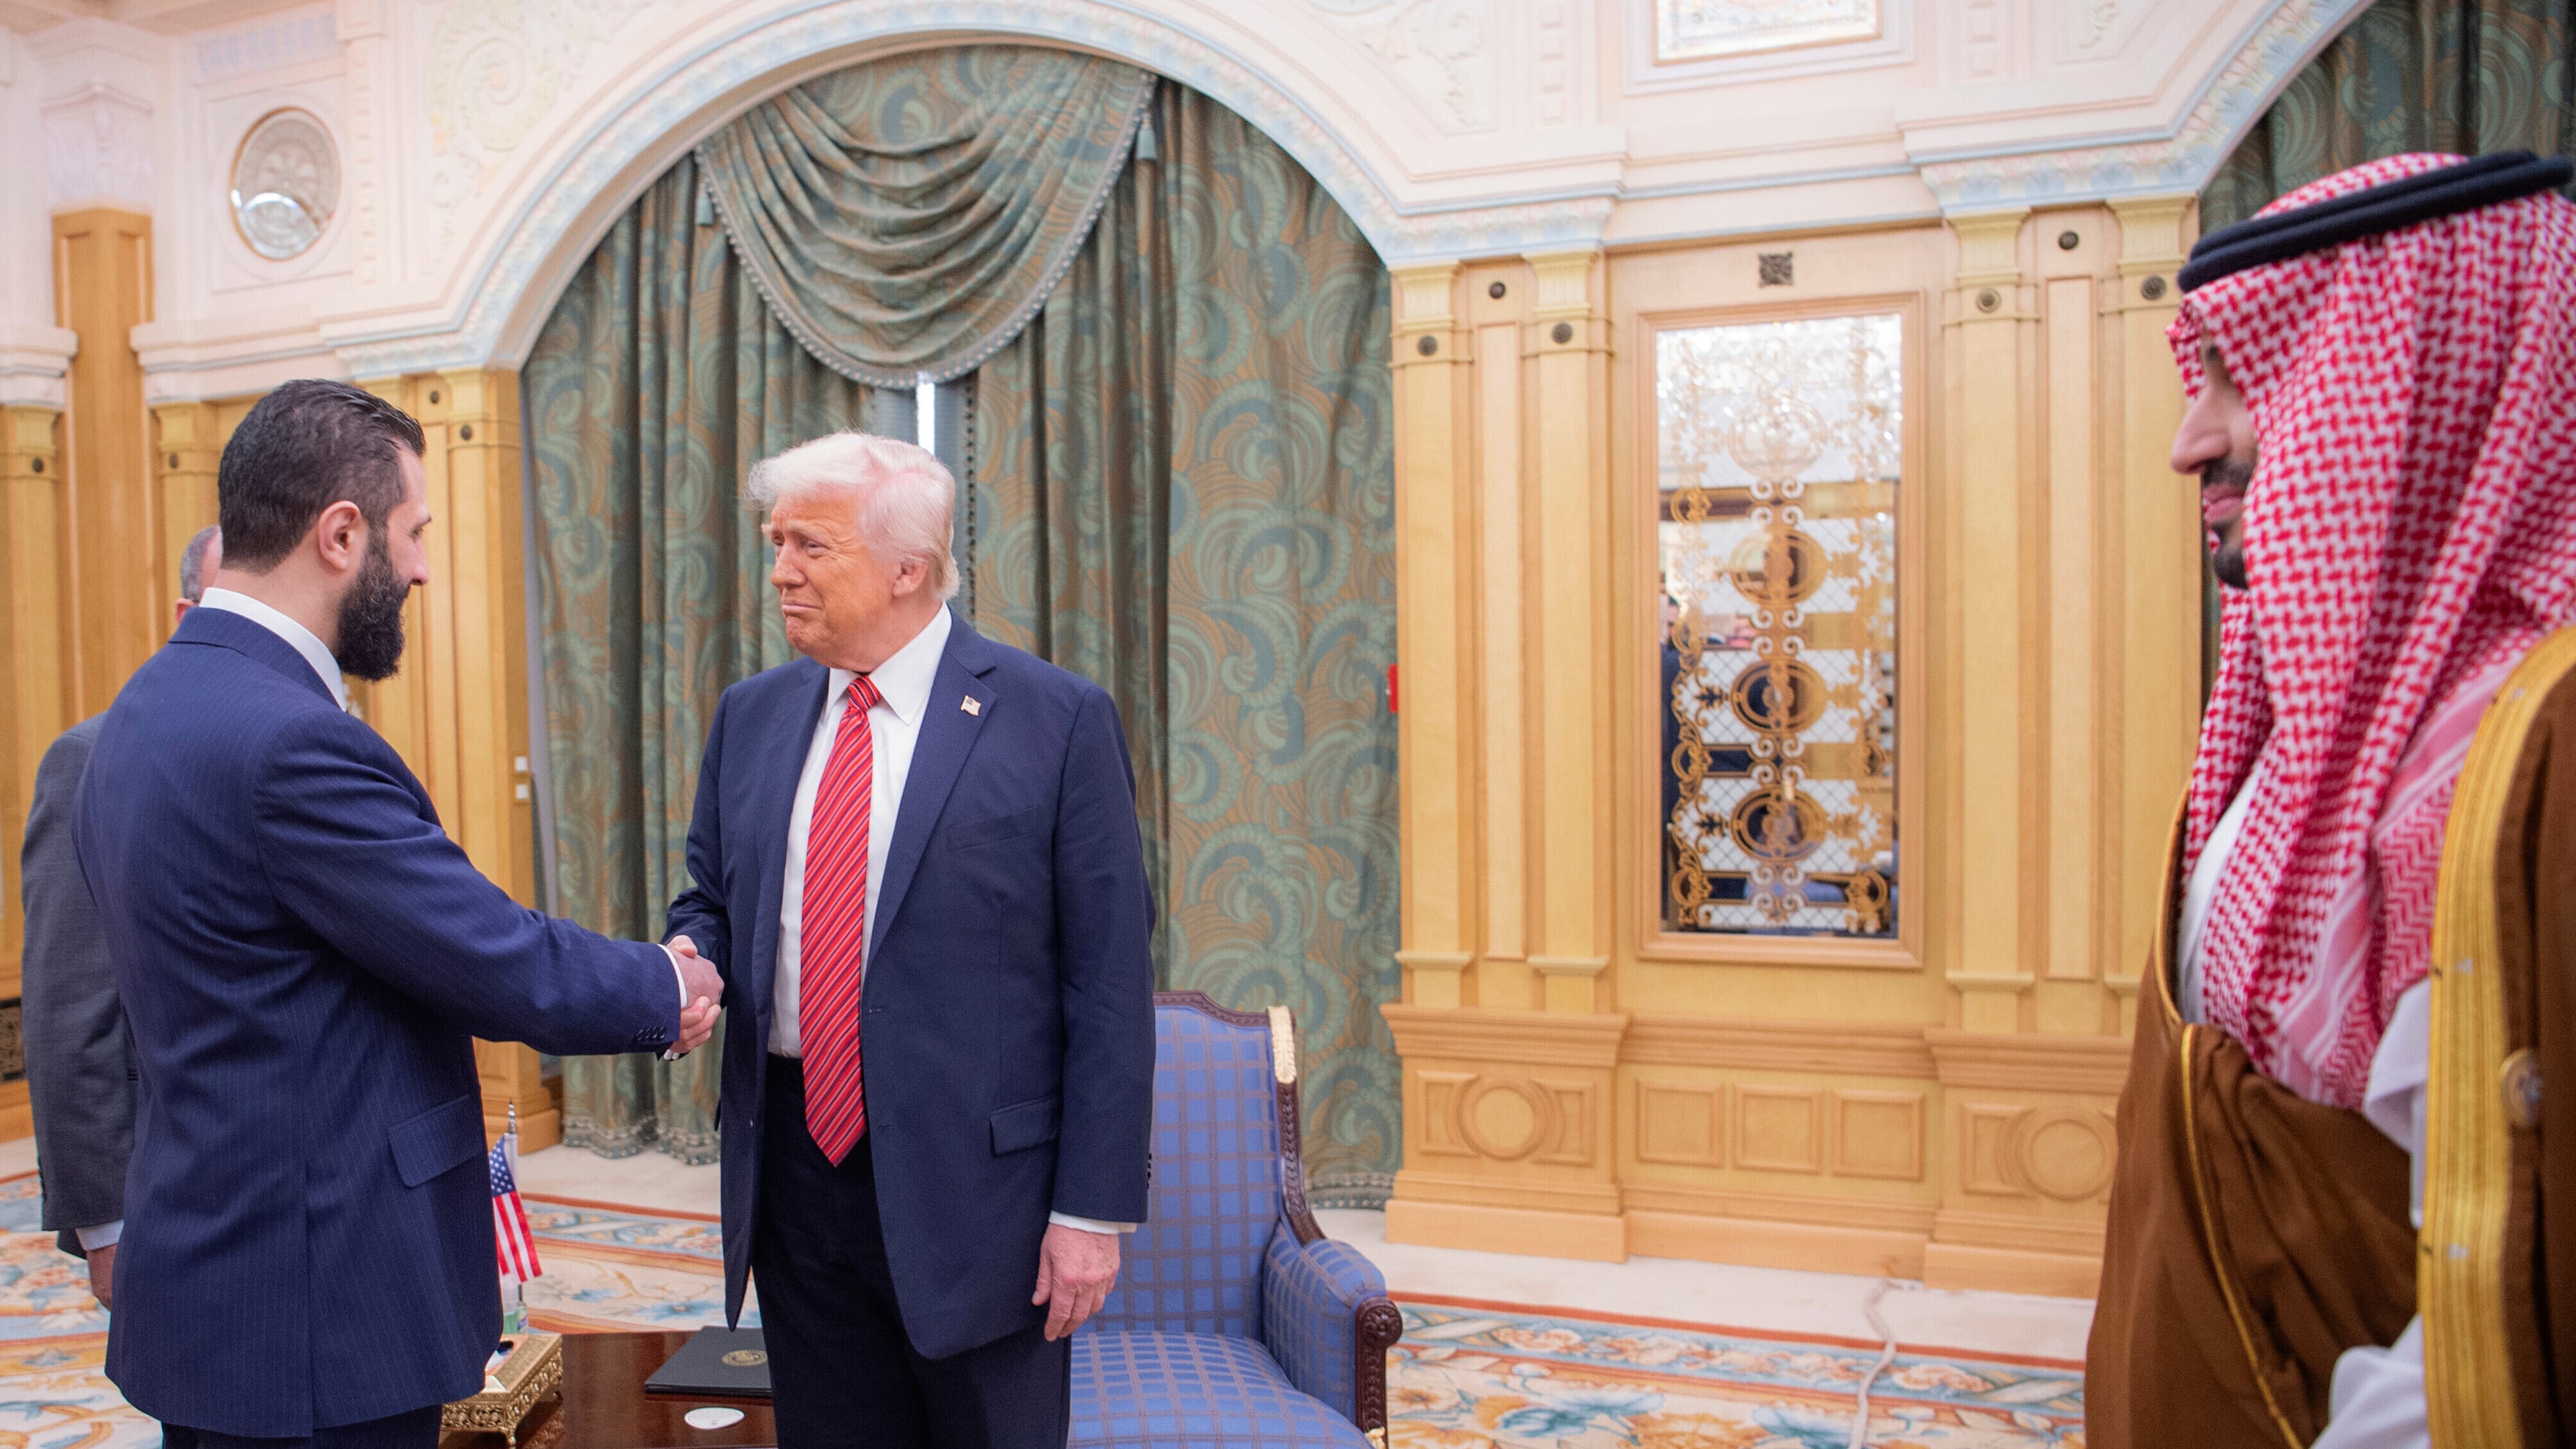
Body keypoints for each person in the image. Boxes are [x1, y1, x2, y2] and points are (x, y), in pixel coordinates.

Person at [74, 380, 724, 1449]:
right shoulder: (291, 741)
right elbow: (489, 954)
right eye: (413, 532)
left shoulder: (145, 706)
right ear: (341, 535)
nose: (422, 566)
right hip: (321, 1307)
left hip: (216, 1279)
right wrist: (668, 983)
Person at [2086, 150, 2576, 1447]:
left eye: (2241, 379)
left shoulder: (2533, 753)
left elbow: (2500, 1297)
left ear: (2419, 386)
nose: (2190, 442)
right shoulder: (2324, 718)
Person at [666, 431, 1154, 1448]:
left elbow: (1108, 984)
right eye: (775, 541)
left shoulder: (1056, 720)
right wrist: (688, 958)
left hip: (984, 1198)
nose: (780, 571)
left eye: (811, 545)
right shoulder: (751, 715)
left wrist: (1089, 1215)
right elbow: (710, 897)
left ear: (907, 568)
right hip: (793, 1171)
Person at [22, 523, 222, 1309]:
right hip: (175, 1189)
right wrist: (105, 1228)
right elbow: (70, 1013)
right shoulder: (92, 760)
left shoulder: (329, 751)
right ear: (186, 615)